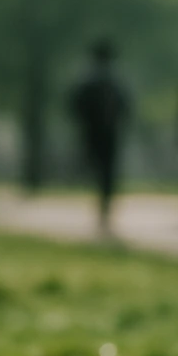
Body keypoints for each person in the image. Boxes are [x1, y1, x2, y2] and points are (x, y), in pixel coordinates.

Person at [69, 39, 131, 236]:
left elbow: (76, 105)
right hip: (109, 132)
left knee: (97, 168)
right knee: (106, 170)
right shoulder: (114, 81)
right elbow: (125, 106)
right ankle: (104, 207)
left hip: (92, 131)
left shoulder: (89, 80)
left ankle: (102, 208)